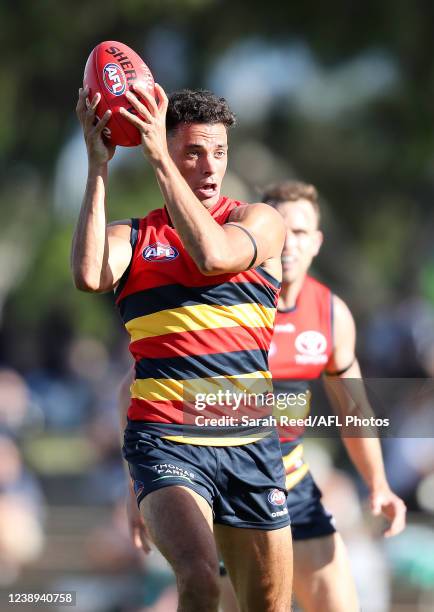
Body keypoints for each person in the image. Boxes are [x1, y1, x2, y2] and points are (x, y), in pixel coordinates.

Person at [72, 83, 292, 612]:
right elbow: (87, 274)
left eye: (219, 152)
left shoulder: (259, 222)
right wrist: (98, 165)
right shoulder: (135, 236)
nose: (210, 167)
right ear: (166, 151)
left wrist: (157, 161)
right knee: (198, 577)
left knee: (269, 607)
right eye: (192, 152)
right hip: (166, 439)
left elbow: (214, 256)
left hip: (250, 442)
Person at [261, 180, 407, 612]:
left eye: (301, 232)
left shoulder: (329, 313)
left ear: (317, 242)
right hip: (228, 488)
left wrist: (378, 485)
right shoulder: (226, 305)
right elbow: (142, 387)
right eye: (278, 231)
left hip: (291, 482)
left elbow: (352, 407)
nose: (289, 243)